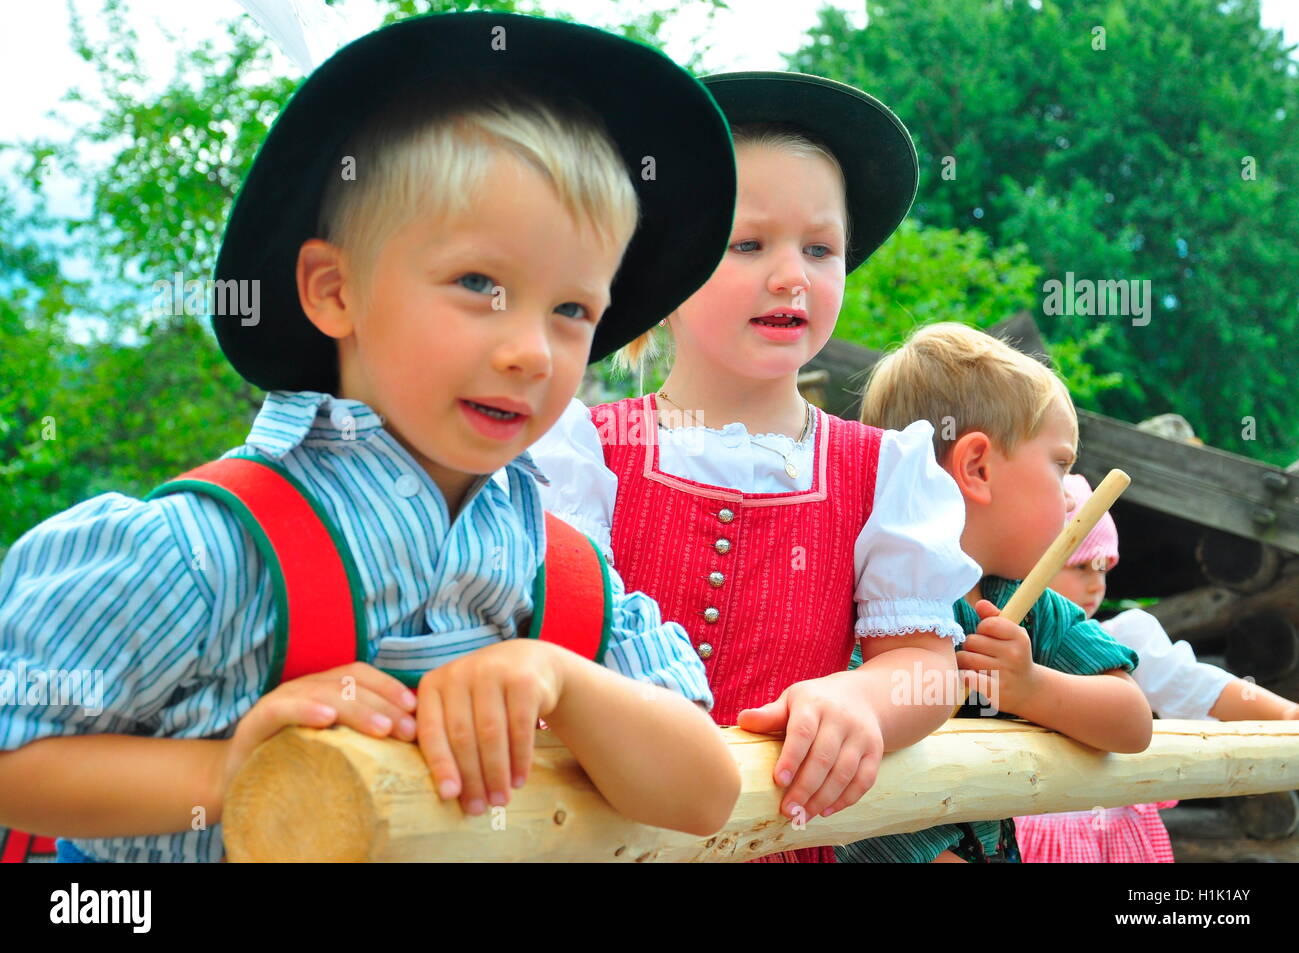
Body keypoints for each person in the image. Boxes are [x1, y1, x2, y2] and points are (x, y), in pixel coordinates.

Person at [0, 11, 745, 862]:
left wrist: (563, 679)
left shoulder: (562, 575)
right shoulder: (207, 553)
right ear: (333, 290)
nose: (531, 350)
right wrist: (232, 769)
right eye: (478, 282)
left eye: (572, 309)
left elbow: (705, 792)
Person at [529, 72, 983, 863]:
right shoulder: (580, 454)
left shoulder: (883, 471)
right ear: (662, 273)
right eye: (747, 244)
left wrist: (860, 701)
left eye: (820, 248)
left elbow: (922, 664)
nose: (791, 276)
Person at [837, 322, 1153, 863]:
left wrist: (1030, 688)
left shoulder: (1036, 609)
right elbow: (857, 797)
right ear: (977, 467)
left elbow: (1132, 721)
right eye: (1060, 465)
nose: (1068, 494)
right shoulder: (873, 609)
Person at [1013, 473, 1299, 863]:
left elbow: (1194, 685)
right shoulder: (1000, 642)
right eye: (1082, 568)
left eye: (1104, 569)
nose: (1097, 585)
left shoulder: (1121, 639)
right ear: (1032, 564)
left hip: (1110, 838)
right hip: (1020, 837)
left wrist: (1285, 714)